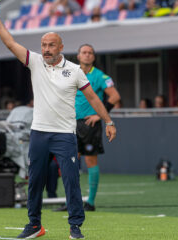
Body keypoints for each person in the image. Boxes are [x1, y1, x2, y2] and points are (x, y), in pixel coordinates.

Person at [0, 3, 116, 239]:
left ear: (61, 47)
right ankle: (34, 225)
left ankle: (75, 227)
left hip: (65, 135)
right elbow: (9, 42)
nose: (46, 49)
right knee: (34, 180)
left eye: (51, 45)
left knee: (71, 180)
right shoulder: (35, 62)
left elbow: (93, 98)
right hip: (39, 133)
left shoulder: (75, 70)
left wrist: (108, 121)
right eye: (44, 45)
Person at [55, 44, 120, 212]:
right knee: (70, 162)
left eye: (90, 53)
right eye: (84, 52)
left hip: (89, 124)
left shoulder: (100, 76)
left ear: (94, 57)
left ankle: (90, 202)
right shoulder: (69, 72)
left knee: (90, 160)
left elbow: (115, 96)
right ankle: (72, 201)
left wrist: (100, 115)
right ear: (78, 56)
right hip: (70, 123)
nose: (87, 55)